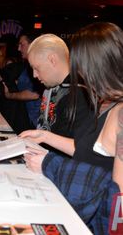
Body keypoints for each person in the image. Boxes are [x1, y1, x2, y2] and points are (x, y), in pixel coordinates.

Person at [21, 22, 123, 234]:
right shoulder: (106, 101)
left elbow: (117, 200)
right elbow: (90, 151)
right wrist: (45, 136)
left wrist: (51, 164)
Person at [26, 34, 95, 150]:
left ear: (52, 60)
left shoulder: (81, 95)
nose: (34, 75)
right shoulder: (51, 86)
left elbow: (84, 149)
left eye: (37, 68)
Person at [3, 34, 43, 128]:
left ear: (32, 44)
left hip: (35, 121)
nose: (19, 49)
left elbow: (34, 94)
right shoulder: (28, 65)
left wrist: (10, 95)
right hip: (28, 118)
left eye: (22, 45)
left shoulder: (37, 65)